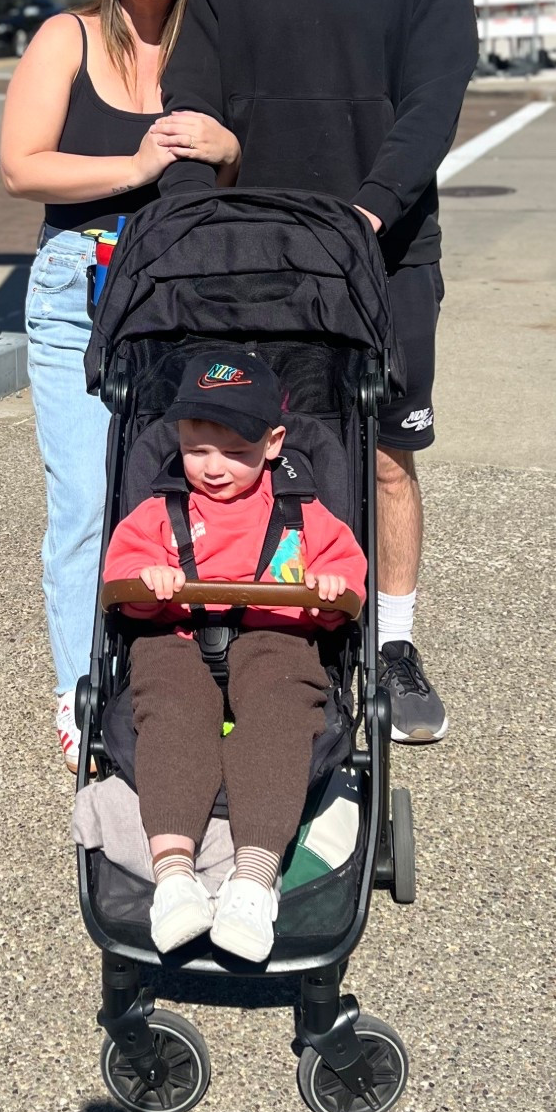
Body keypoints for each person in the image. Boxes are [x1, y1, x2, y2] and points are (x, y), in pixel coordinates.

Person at [156, 0, 477, 746]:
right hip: (260, 257)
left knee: (385, 454)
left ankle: (392, 639)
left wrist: (372, 207)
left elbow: (435, 99)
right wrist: (188, 214)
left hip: (383, 250)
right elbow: (191, 100)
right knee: (255, 441)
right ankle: (268, 621)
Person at [0, 0, 240, 771]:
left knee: (181, 489)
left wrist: (229, 153)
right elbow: (22, 169)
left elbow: (236, 163)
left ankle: (174, 675)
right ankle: (77, 688)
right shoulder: (68, 36)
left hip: (177, 289)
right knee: (86, 502)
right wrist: (137, 163)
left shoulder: (205, 53)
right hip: (79, 288)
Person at [102, 349, 366, 961]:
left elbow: (347, 580)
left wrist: (327, 592)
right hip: (176, 636)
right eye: (198, 450)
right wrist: (146, 585)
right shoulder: (157, 515)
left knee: (280, 711)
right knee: (169, 712)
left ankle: (252, 879)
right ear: (178, 440)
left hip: (276, 636)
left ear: (274, 443)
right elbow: (120, 582)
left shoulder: (304, 514)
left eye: (235, 452)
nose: (214, 467)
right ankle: (173, 877)